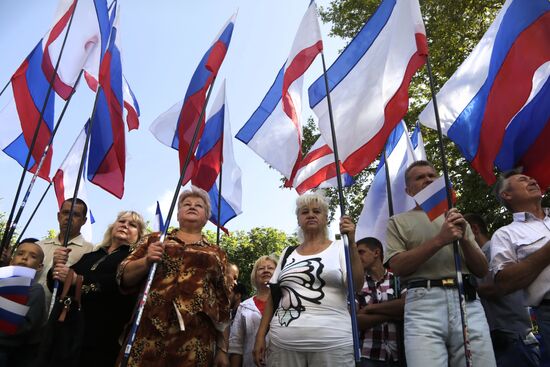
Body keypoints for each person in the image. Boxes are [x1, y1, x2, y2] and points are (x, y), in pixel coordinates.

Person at [385, 160, 495, 367]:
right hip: (423, 304)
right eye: (420, 177)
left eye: (431, 176)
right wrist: (440, 240)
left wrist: (463, 238)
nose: (427, 179)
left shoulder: (456, 218)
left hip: (467, 301)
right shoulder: (398, 222)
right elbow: (398, 267)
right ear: (408, 190)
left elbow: (481, 270)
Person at [117, 187, 232, 367]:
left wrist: (223, 349)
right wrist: (146, 261)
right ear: (177, 214)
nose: (192, 206)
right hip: (148, 334)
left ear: (206, 217)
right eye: (186, 204)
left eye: (198, 205)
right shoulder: (155, 239)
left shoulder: (217, 253)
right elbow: (123, 276)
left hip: (196, 341)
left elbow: (223, 303)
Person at [253, 192, 363, 367]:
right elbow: (273, 298)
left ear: (326, 218)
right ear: (298, 219)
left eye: (316, 211)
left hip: (333, 346)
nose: (310, 214)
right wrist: (260, 336)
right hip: (282, 346)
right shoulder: (287, 253)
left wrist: (352, 244)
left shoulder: (340, 247)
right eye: (305, 212)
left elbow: (356, 285)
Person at [49, 210, 146, 367]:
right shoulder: (90, 256)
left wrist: (79, 280)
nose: (125, 225)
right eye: (121, 221)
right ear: (113, 226)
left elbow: (119, 284)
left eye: (132, 225)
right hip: (68, 331)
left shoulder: (134, 262)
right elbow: (58, 286)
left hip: (103, 336)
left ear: (139, 235)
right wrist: (57, 267)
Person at [489, 170, 550, 359]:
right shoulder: (505, 235)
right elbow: (505, 283)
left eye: (532, 178)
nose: (532, 180)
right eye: (523, 179)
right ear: (506, 195)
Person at [465, 213, 539, 366]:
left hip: (512, 336)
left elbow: (499, 287)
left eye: (461, 231)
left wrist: (464, 291)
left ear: (474, 229)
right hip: (499, 337)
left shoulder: (494, 250)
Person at [356, 237, 404, 367]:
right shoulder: (357, 284)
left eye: (361, 252)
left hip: (399, 354)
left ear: (376, 253)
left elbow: (406, 306)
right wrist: (393, 312)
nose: (356, 257)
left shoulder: (398, 279)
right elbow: (356, 321)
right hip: (368, 355)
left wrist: (369, 309)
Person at [37, 198, 93, 305]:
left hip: (60, 312)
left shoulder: (91, 251)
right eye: (66, 213)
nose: (69, 218)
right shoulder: (39, 246)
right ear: (59, 216)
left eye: (76, 215)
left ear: (84, 221)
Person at [0, 238, 46, 367]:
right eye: (20, 253)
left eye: (33, 256)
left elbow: (25, 326)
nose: (24, 258)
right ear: (11, 259)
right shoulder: (1, 279)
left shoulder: (35, 290)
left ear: (39, 267)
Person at [229, 255, 277, 367]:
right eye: (261, 268)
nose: (265, 271)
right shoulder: (244, 306)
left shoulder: (286, 303)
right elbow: (236, 345)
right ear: (255, 275)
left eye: (270, 268)